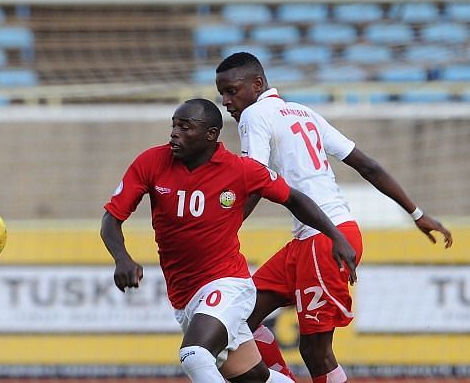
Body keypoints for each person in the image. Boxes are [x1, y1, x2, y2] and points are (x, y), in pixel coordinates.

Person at [215, 52, 454, 383]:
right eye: (222, 93)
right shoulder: (304, 112)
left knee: (315, 351)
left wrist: (223, 230)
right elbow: (367, 164)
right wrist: (417, 213)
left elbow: (255, 180)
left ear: (257, 84)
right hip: (313, 239)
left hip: (325, 238)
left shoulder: (254, 116)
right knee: (238, 319)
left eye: (232, 91)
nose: (226, 101)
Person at [100, 98, 358, 383]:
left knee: (195, 354)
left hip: (228, 284)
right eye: (174, 126)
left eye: (185, 128)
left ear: (211, 135)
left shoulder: (241, 170)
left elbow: (294, 199)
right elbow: (111, 219)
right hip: (185, 295)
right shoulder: (151, 161)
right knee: (255, 378)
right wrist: (121, 258)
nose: (175, 133)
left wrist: (335, 236)